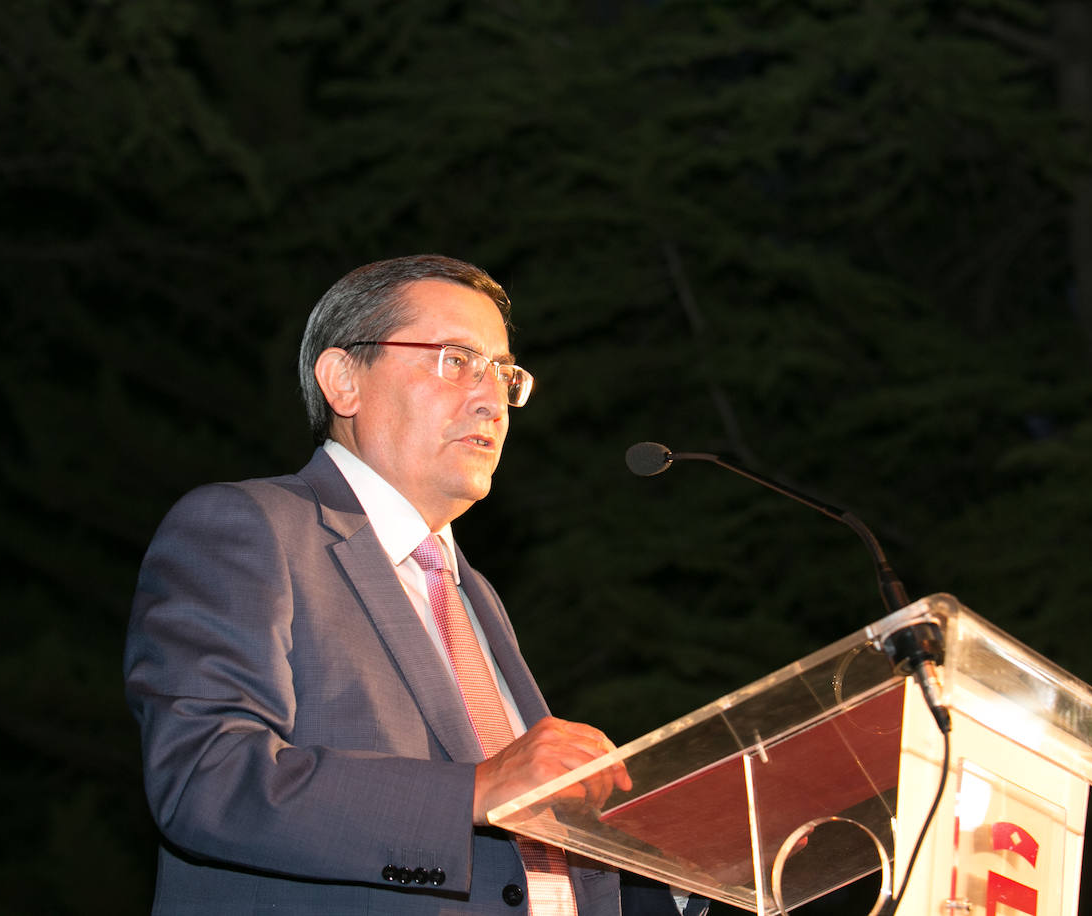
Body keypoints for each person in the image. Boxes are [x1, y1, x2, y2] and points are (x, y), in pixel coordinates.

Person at [124, 255, 706, 915]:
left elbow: (522, 865)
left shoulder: (473, 592)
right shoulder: (251, 529)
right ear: (344, 380)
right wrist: (477, 790)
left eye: (504, 372)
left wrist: (684, 861)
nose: (492, 398)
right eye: (456, 359)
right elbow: (207, 779)